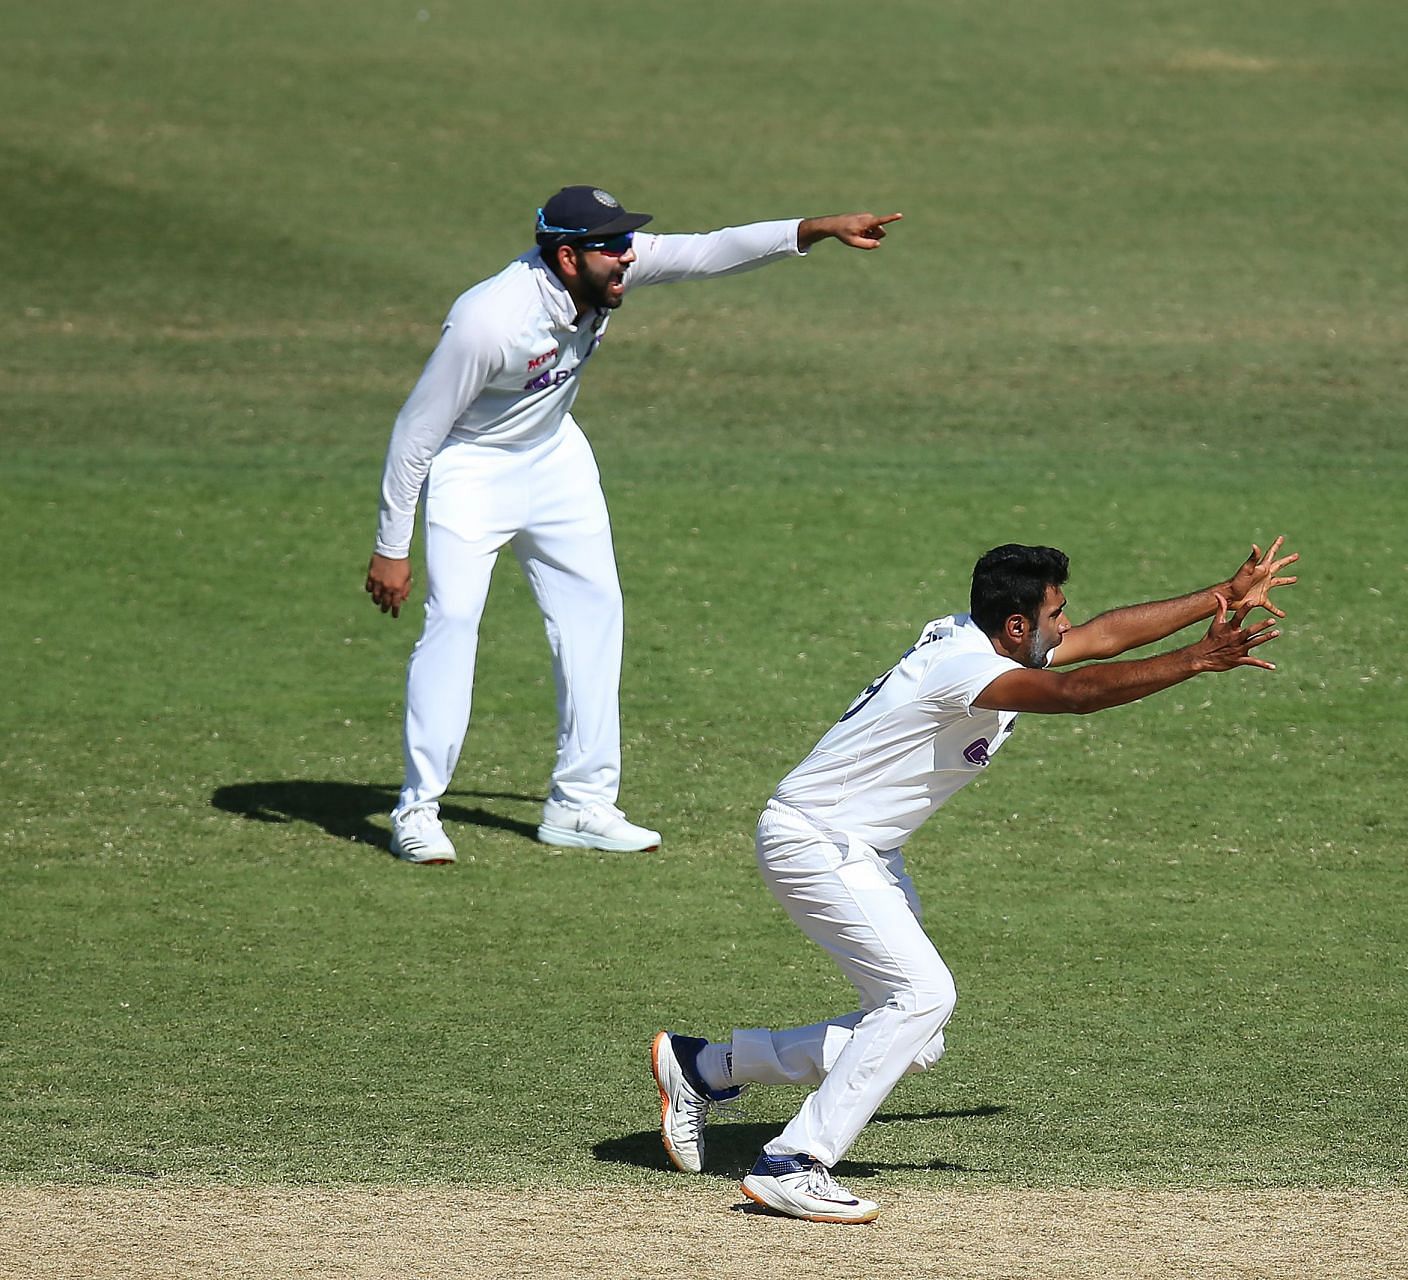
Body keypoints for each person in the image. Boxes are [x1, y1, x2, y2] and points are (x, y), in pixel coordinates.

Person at [650, 536, 1298, 1223]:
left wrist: (1222, 595)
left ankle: (707, 1069)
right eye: (1057, 614)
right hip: (817, 841)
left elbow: (1103, 639)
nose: (1068, 626)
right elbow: (1077, 694)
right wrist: (1199, 657)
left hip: (863, 849)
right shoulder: (963, 669)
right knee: (923, 996)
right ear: (1016, 626)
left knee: (914, 1039)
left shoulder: (988, 642)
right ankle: (794, 1163)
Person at [364, 186, 902, 864]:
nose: (628, 257)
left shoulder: (605, 269)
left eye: (626, 243)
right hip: (473, 468)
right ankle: (417, 809)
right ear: (566, 256)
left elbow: (709, 251)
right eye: (612, 247)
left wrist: (816, 228)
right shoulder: (487, 321)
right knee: (454, 623)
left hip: (555, 455)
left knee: (594, 615)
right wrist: (392, 547)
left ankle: (581, 804)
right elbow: (416, 433)